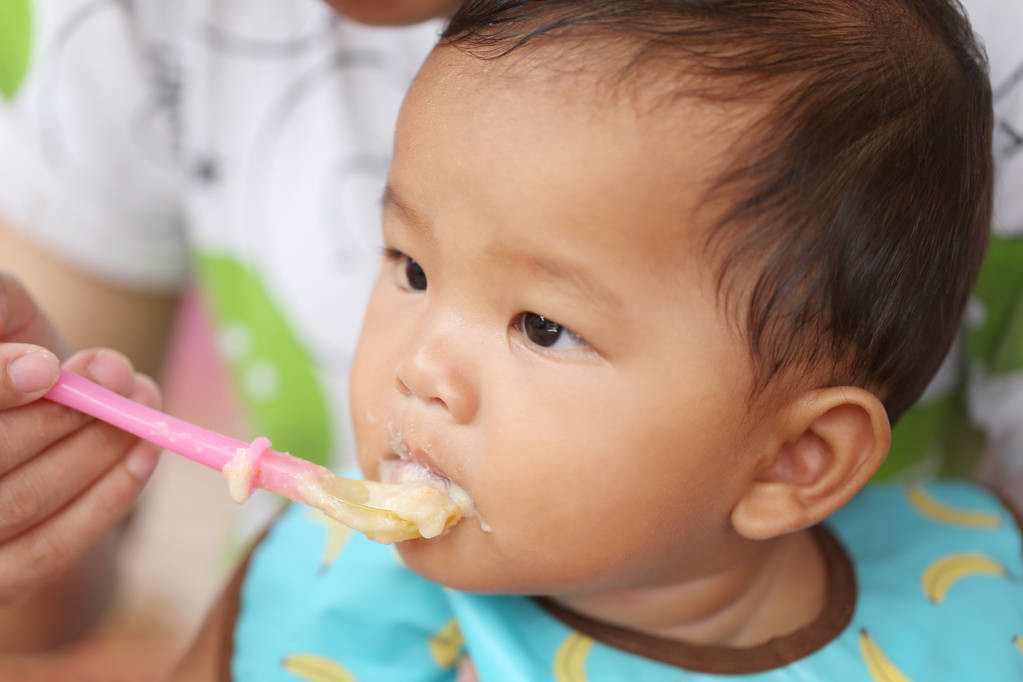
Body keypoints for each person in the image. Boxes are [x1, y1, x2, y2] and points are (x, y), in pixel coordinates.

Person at [164, 0, 1017, 679]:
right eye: (412, 269)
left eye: (542, 327)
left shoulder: (985, 606)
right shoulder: (310, 596)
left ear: (792, 458)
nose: (419, 368)